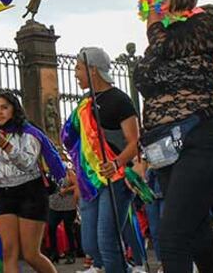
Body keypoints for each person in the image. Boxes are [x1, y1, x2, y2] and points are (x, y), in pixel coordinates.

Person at [132, 0, 213, 273]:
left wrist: (154, 18)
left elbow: (166, 48)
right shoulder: (161, 35)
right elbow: (146, 80)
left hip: (199, 138)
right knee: (198, 236)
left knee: (172, 236)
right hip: (166, 147)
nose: (145, 0)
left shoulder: (203, 24)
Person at [64, 47, 146, 273]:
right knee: (90, 243)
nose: (76, 74)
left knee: (107, 240)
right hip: (90, 181)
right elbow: (80, 144)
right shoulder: (84, 103)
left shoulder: (120, 100)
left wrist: (117, 163)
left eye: (79, 69)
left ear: (93, 69)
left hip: (116, 179)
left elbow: (134, 141)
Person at [0, 92, 63, 273]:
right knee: (9, 252)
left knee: (31, 254)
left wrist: (6, 145)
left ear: (14, 110)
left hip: (30, 193)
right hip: (4, 194)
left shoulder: (29, 133)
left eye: (4, 108)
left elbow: (27, 162)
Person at [46, 156, 80, 265]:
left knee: (68, 229)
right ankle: (54, 253)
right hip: (54, 205)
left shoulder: (68, 172)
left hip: (68, 205)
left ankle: (71, 254)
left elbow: (77, 185)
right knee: (51, 228)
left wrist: (66, 190)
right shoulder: (49, 173)